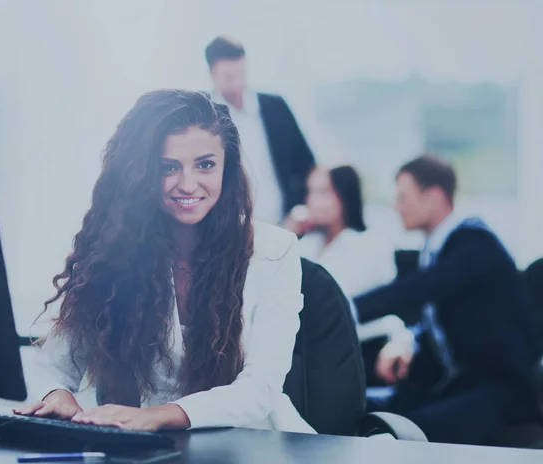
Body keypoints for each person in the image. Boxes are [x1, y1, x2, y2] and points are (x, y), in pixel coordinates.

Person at [14, 89, 314, 434]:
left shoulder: (275, 250)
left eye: (205, 165)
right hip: (143, 446)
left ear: (226, 167)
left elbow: (259, 390)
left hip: (252, 441)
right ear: (139, 173)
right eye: (168, 167)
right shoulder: (113, 248)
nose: (188, 184)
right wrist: (58, 395)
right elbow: (53, 366)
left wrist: (158, 415)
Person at [354, 154, 541, 445]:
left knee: (404, 431)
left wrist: (343, 308)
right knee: (366, 412)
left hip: (502, 393)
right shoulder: (438, 248)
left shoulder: (475, 244)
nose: (396, 206)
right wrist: (407, 341)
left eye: (403, 196)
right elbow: (438, 319)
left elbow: (418, 288)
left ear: (434, 197)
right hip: (462, 386)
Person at [284, 165, 415, 386]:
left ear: (345, 196)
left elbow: (345, 308)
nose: (312, 201)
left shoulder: (370, 245)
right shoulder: (306, 244)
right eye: (310, 192)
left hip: (353, 353)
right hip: (301, 353)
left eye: (323, 192)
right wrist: (287, 231)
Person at [205, 35, 315, 225]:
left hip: (288, 226)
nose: (237, 84)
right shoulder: (205, 116)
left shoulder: (276, 107)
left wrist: (302, 210)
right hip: (229, 231)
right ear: (212, 74)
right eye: (228, 77)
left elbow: (306, 163)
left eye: (241, 74)